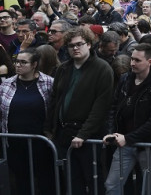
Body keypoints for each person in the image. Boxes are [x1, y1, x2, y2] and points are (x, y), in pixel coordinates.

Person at [44, 26, 113, 195]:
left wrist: (83, 134)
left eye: (79, 44)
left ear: (89, 44)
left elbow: (101, 106)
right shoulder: (63, 68)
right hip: (63, 133)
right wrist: (49, 129)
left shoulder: (102, 68)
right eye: (71, 45)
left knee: (94, 182)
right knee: (72, 183)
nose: (75, 48)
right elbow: (55, 100)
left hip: (89, 138)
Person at [103, 43, 151, 195]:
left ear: (149, 62)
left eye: (137, 60)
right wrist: (112, 132)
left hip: (147, 146)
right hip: (123, 143)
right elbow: (114, 107)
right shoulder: (125, 79)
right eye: (132, 59)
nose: (132, 63)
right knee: (112, 185)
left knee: (150, 188)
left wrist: (128, 137)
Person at [0, 48, 55, 195]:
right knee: (21, 181)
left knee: (45, 181)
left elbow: (55, 110)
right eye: (17, 61)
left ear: (34, 64)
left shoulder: (49, 83)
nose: (18, 65)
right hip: (14, 143)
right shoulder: (6, 85)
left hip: (42, 143)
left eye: (23, 62)